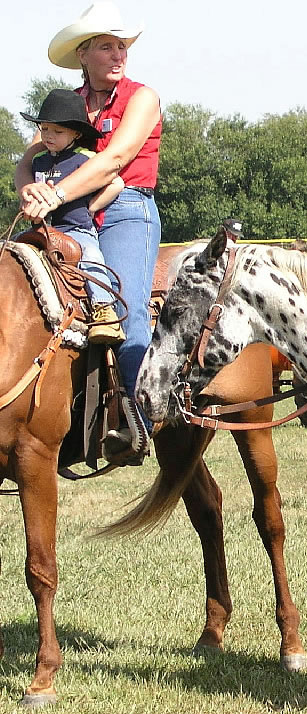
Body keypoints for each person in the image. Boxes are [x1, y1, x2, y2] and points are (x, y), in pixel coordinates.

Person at [16, 1, 162, 460]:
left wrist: (54, 195)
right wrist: (30, 195)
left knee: (125, 304)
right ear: (83, 54)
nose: (118, 55)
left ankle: (137, 416)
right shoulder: (67, 107)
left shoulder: (142, 97)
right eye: (106, 46)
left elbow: (115, 160)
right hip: (64, 214)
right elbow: (25, 163)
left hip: (126, 209)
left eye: (122, 46)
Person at [21, 88, 125, 344]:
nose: (48, 136)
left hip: (75, 230)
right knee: (13, 250)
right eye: (44, 129)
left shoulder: (86, 159)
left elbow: (117, 183)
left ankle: (104, 312)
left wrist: (91, 207)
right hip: (43, 231)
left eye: (57, 131)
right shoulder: (39, 161)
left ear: (75, 134)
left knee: (91, 257)